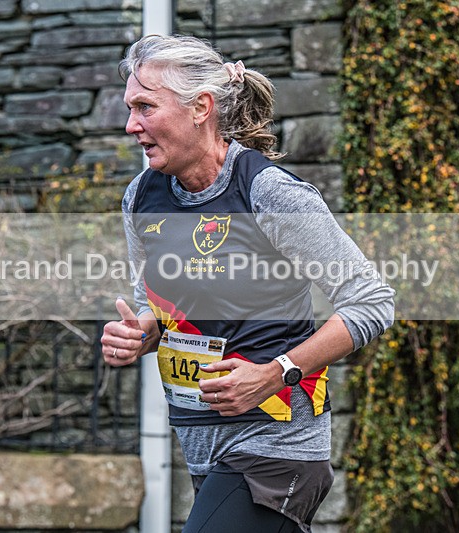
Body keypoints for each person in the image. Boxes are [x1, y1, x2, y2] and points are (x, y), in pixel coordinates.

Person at [100, 34, 395, 533]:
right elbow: (157, 308)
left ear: (201, 108)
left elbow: (372, 303)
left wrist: (274, 374)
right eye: (131, 108)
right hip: (202, 445)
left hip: (276, 448)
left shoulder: (268, 192)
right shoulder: (142, 197)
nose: (132, 125)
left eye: (146, 107)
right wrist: (142, 333)